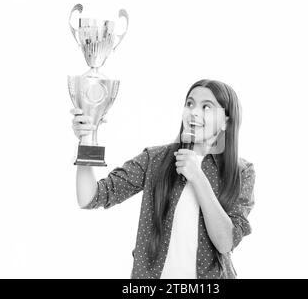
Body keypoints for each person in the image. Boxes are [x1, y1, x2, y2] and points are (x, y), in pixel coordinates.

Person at [71, 79, 255, 279]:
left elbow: (225, 242)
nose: (193, 112)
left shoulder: (241, 172)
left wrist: (198, 177)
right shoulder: (156, 159)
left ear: (226, 121)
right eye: (190, 104)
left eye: (206, 107)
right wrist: (86, 139)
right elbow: (89, 197)